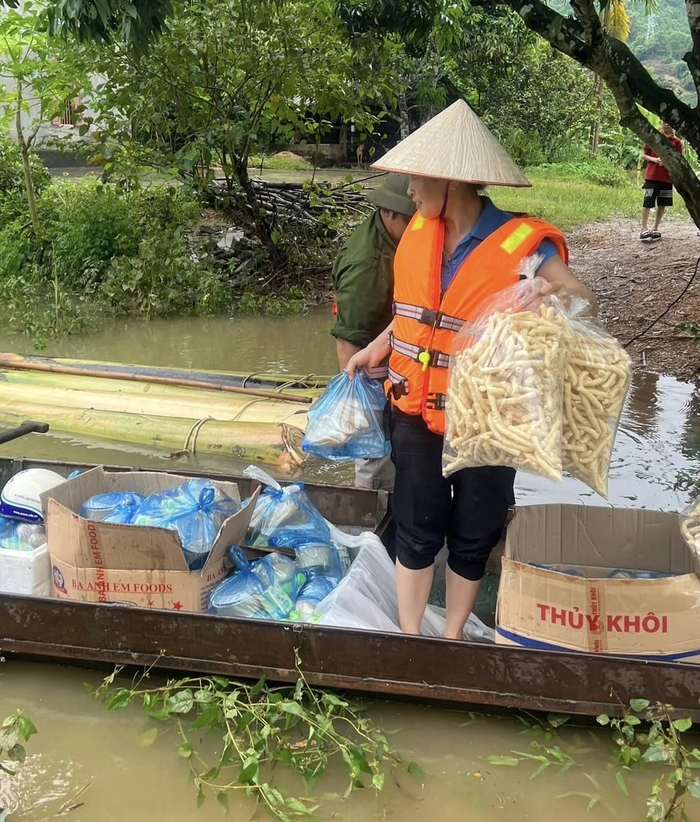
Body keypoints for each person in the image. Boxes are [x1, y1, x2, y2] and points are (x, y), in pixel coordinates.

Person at [345, 100, 597, 640]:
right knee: (415, 522)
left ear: (450, 181)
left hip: (487, 416)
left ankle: (453, 634)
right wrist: (376, 347)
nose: (409, 190)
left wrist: (546, 293)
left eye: (417, 178)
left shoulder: (523, 245)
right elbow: (415, 315)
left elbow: (581, 300)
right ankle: (413, 634)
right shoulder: (418, 232)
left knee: (475, 528)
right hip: (414, 409)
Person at [330, 173, 415, 491]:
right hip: (370, 380)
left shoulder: (395, 240)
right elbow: (347, 340)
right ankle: (371, 526)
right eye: (409, 219)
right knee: (374, 458)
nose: (415, 227)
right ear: (387, 212)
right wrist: (356, 405)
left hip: (395, 375)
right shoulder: (368, 265)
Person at [640, 121, 682, 243]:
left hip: (667, 178)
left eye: (669, 122)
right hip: (652, 176)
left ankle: (655, 228)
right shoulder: (654, 136)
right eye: (664, 122)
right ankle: (644, 228)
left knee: (662, 204)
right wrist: (655, 160)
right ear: (660, 123)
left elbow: (679, 159)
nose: (667, 125)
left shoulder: (677, 142)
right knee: (648, 201)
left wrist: (669, 162)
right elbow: (643, 155)